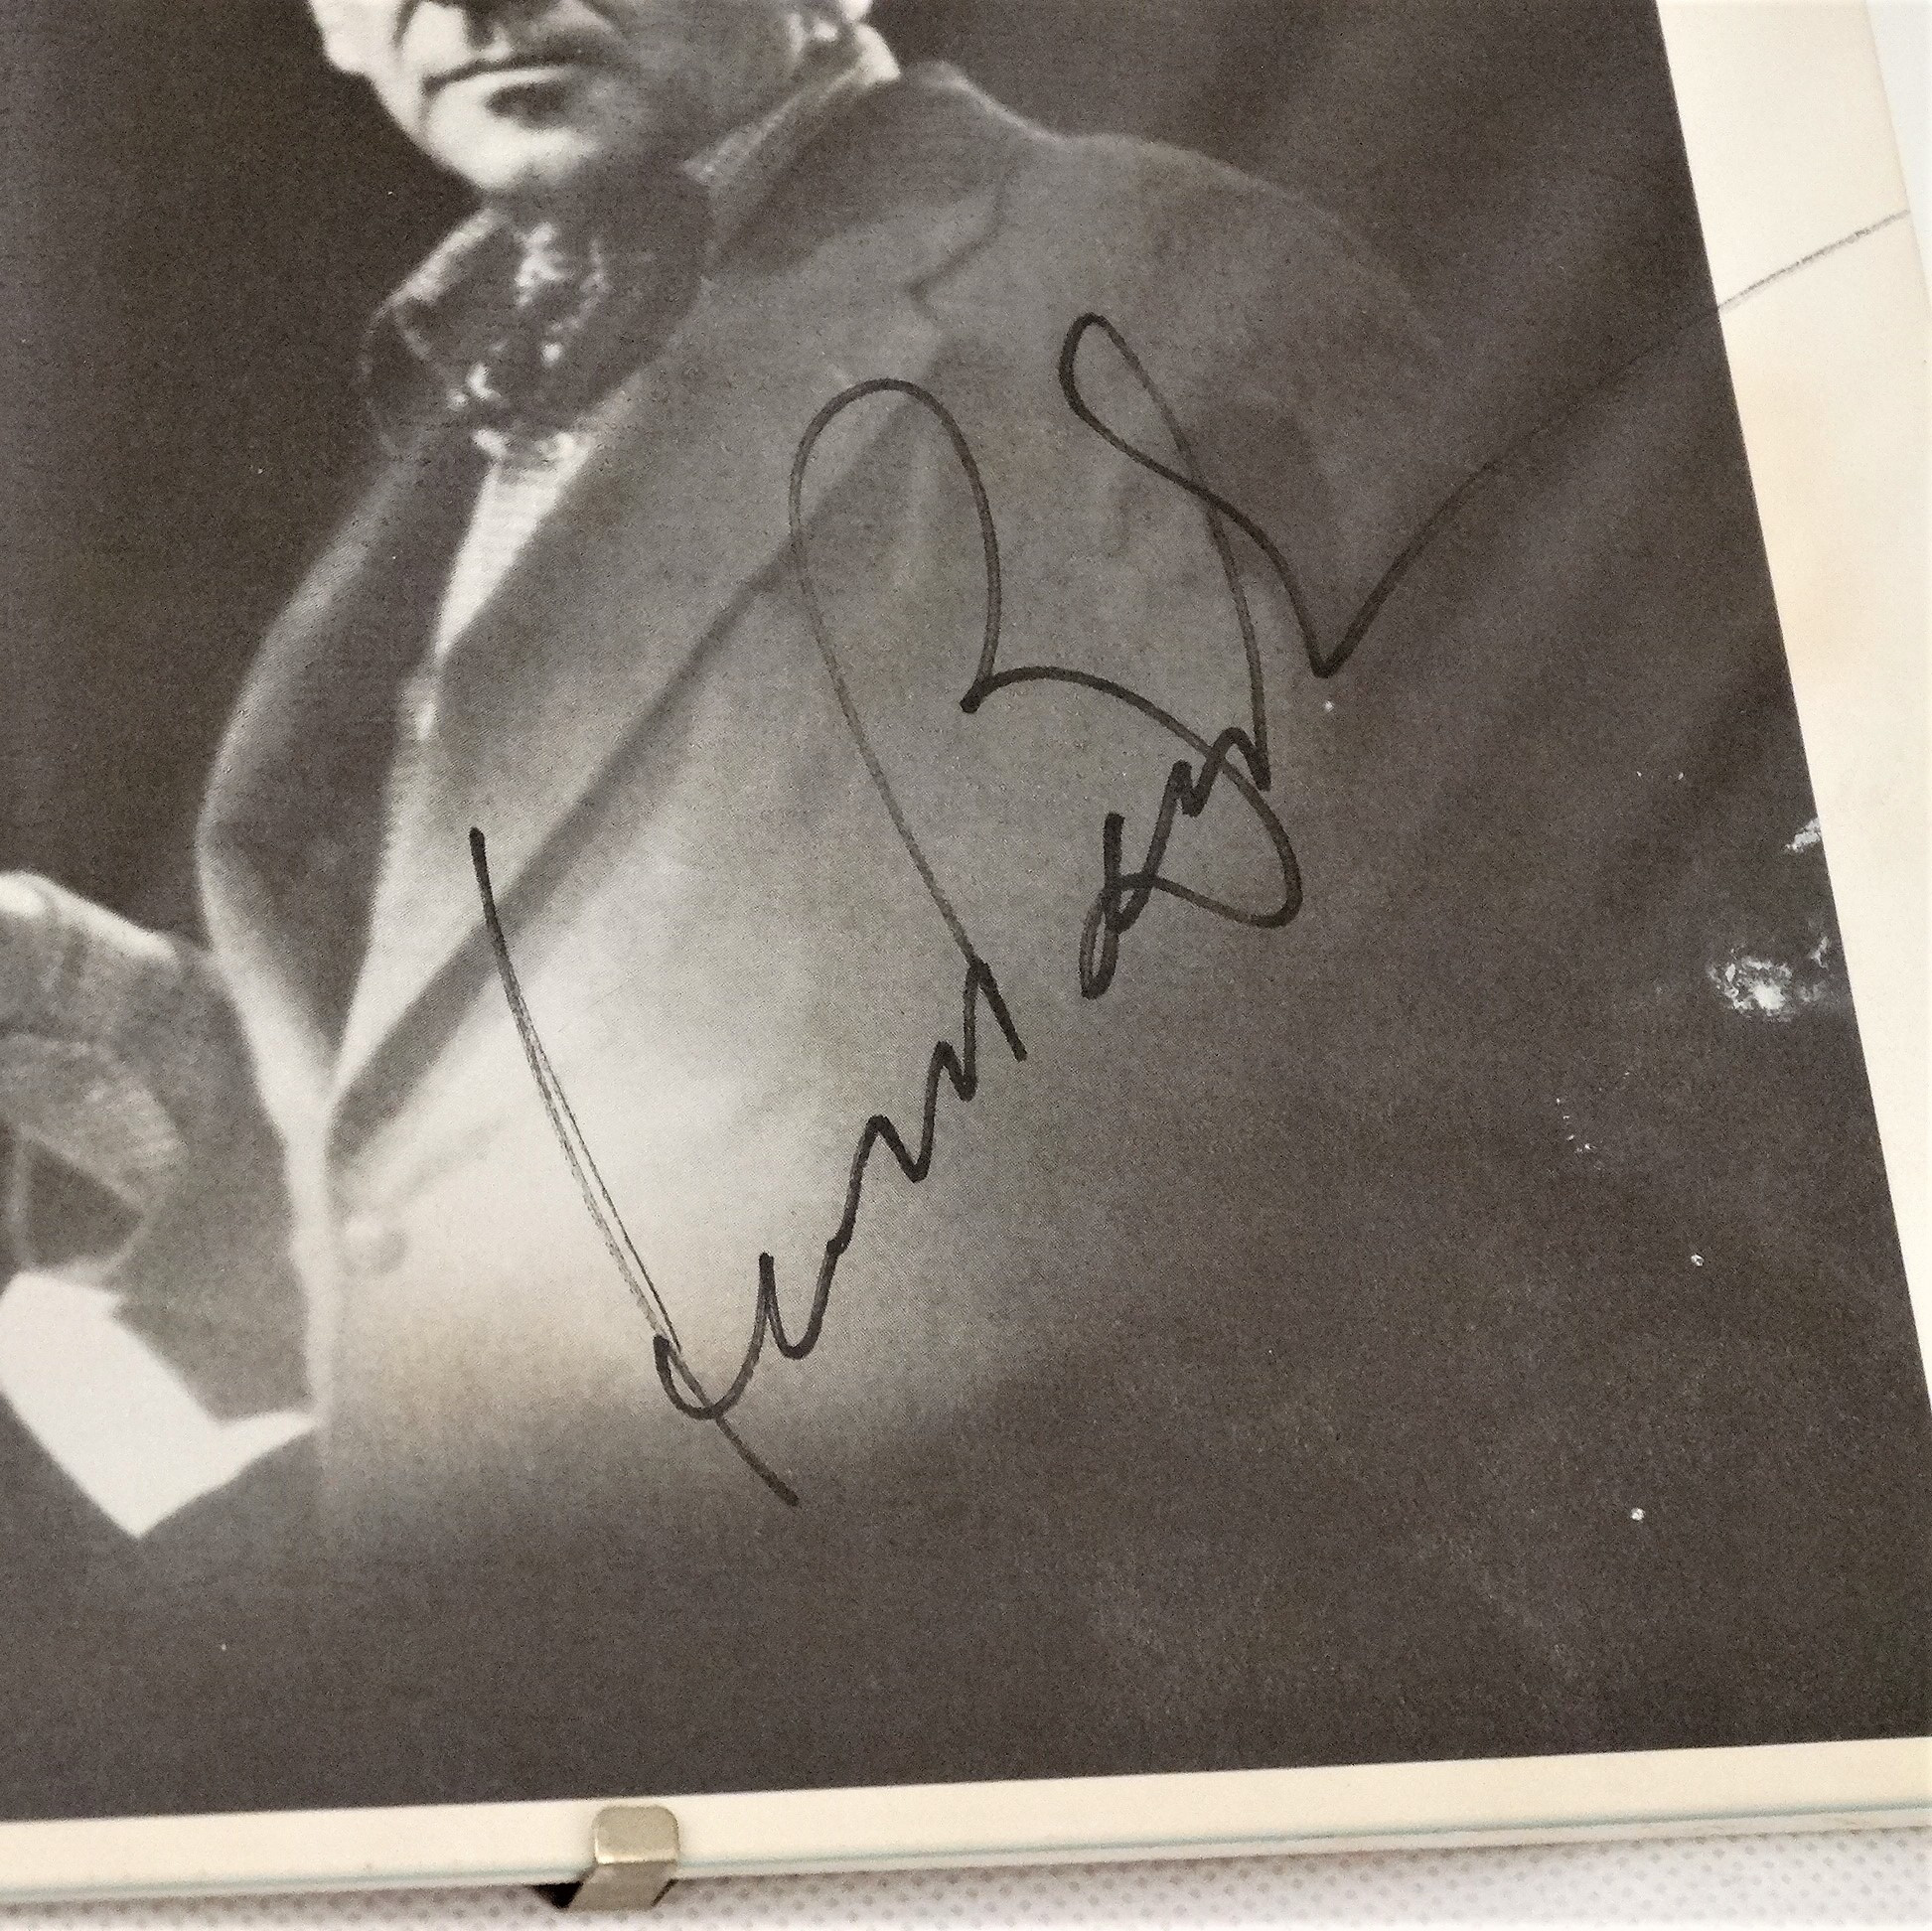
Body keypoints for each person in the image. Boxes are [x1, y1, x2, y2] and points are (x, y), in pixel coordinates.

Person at [0, 0, 1636, 1804]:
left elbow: (1357, 1088)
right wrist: (154, 1041)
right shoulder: (481, 382)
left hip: (987, 1735)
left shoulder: (1159, 279)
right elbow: (580, 1067)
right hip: (524, 1715)